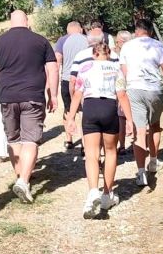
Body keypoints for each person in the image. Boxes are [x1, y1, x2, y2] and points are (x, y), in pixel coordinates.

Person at [0, 11, 58, 203]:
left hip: (8, 97)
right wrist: (53, 95)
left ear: (11, 22)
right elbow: (52, 69)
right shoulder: (40, 41)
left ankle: (20, 175)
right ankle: (24, 181)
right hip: (33, 96)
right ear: (27, 21)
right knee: (31, 139)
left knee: (14, 139)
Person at [66, 42, 134, 218]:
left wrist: (71, 117)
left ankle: (92, 192)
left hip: (91, 107)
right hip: (109, 107)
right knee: (111, 152)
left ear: (94, 54)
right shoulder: (115, 68)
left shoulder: (85, 67)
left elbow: (77, 94)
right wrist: (129, 120)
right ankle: (107, 194)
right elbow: (122, 96)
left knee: (91, 154)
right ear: (109, 53)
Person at [119, 18, 163, 186]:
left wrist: (122, 97)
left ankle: (141, 174)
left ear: (136, 31)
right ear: (151, 31)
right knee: (155, 126)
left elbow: (124, 74)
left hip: (134, 90)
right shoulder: (158, 45)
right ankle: (153, 162)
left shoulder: (126, 46)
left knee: (139, 132)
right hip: (154, 90)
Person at [56, 21, 89, 149]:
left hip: (66, 78)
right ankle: (85, 143)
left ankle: (69, 140)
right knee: (83, 111)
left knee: (68, 109)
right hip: (84, 79)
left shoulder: (62, 40)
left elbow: (58, 59)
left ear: (68, 30)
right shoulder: (86, 39)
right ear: (80, 29)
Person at [114, 30, 134, 154]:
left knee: (122, 117)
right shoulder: (135, 52)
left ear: (123, 42)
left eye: (118, 41)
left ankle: (122, 146)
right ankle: (133, 142)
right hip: (130, 87)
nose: (116, 43)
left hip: (126, 88)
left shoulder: (120, 55)